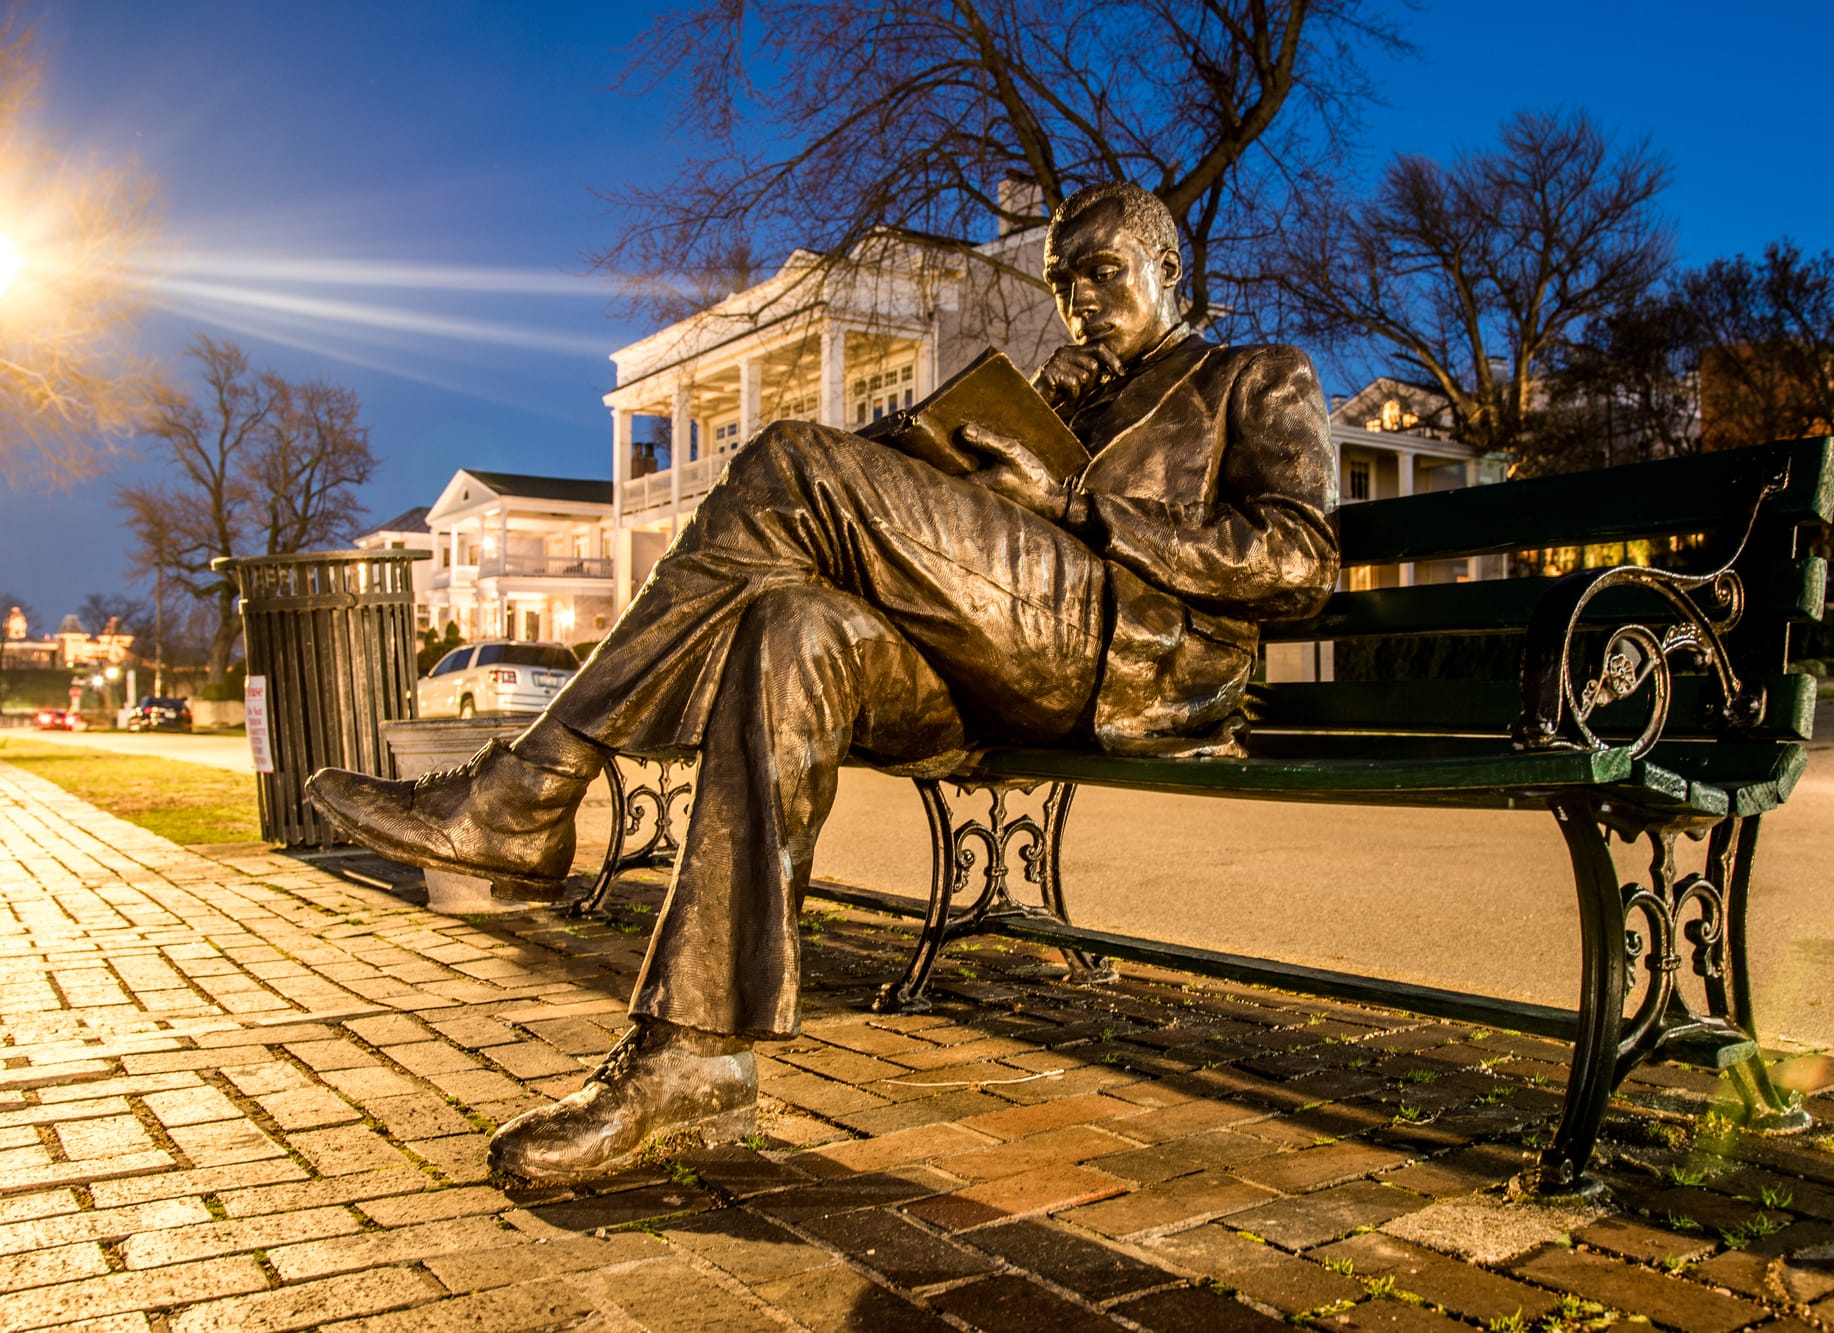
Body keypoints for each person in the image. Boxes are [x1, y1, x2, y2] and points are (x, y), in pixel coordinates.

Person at [307, 181, 1338, 1182]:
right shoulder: (1060, 391)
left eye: (1103, 274)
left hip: (1122, 660)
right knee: (789, 626)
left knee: (793, 459)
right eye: (1064, 283)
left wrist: (1073, 504)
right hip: (983, 659)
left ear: (1168, 269)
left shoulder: (1251, 376)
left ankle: (525, 792)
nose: (1081, 302)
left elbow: (1300, 563)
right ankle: (689, 1056)